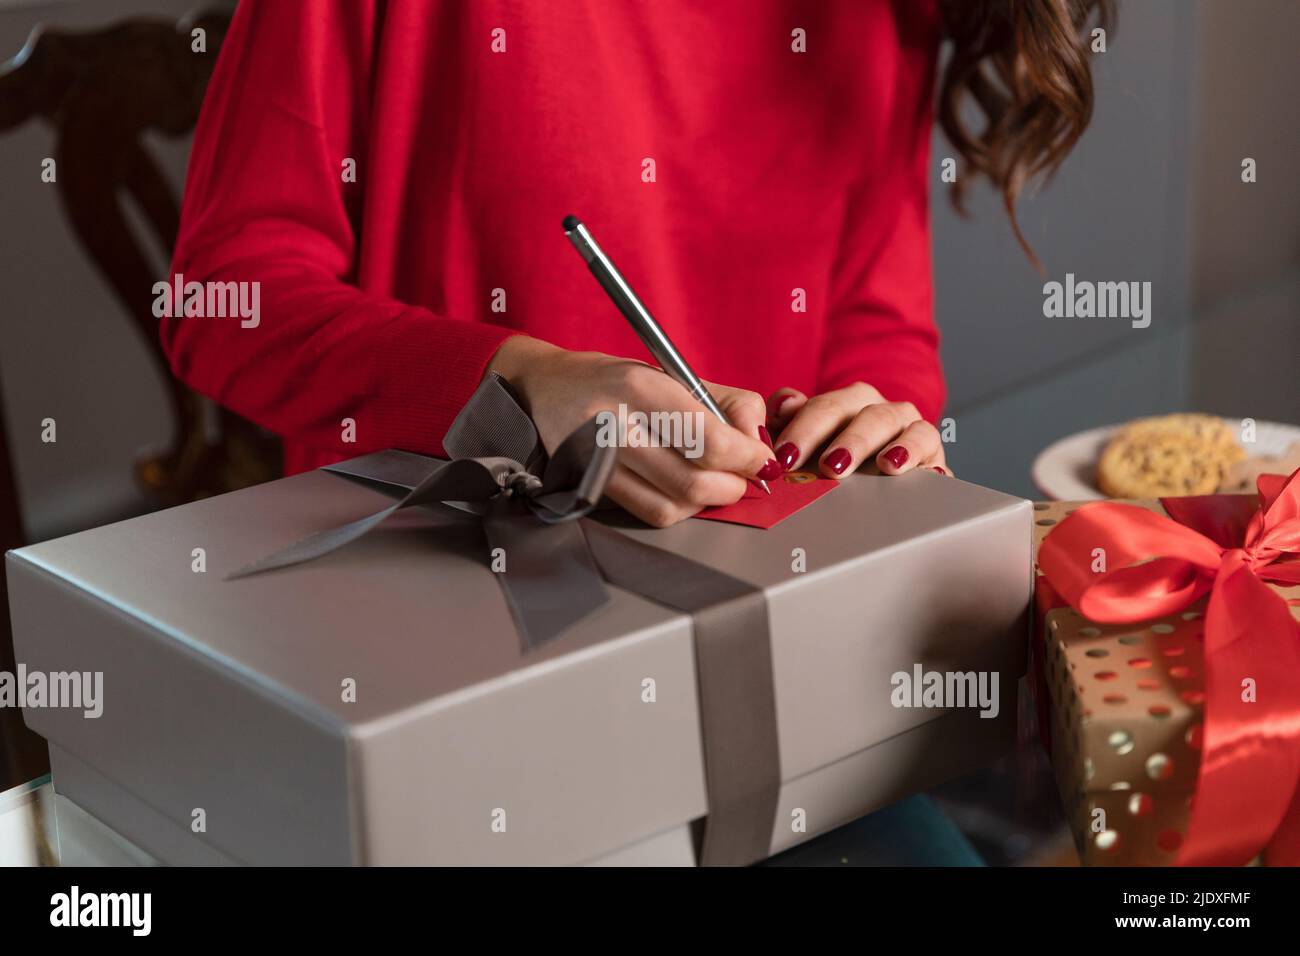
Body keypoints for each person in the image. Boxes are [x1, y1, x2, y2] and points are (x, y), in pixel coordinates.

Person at [164, 0, 1111, 527]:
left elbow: (873, 319)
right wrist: (523, 386)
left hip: (762, 644)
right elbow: (224, 297)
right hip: (438, 628)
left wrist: (867, 424)